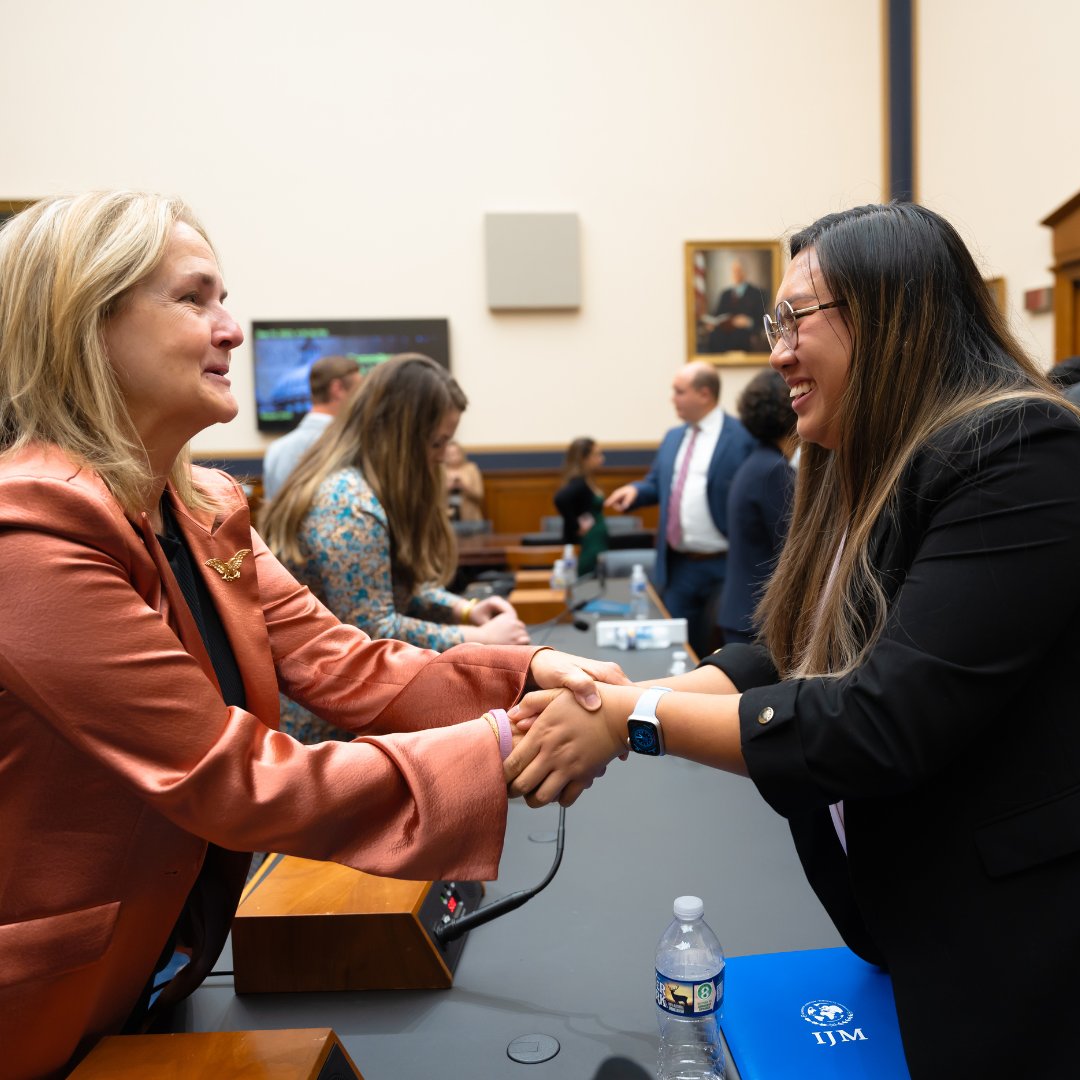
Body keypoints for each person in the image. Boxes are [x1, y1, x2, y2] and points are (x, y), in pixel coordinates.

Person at [0, 192, 626, 1080]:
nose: (232, 330)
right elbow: (232, 774)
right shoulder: (29, 533)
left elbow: (349, 665)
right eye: (196, 298)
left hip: (158, 964)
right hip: (45, 1013)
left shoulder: (205, 503)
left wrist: (526, 674)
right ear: (84, 323)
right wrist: (504, 744)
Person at [505, 202, 1080, 1077]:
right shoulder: (865, 459)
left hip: (1015, 941)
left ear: (894, 311)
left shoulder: (1019, 453)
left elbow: (879, 719)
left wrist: (629, 719)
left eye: (795, 319)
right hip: (904, 914)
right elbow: (789, 653)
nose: (775, 356)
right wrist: (611, 705)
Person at [259, 354, 530, 742]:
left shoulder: (367, 488)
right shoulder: (346, 503)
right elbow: (371, 628)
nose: (441, 456)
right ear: (400, 438)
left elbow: (399, 585)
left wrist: (465, 609)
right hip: (325, 729)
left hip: (356, 711)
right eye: (436, 442)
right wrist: (477, 640)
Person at [606, 361, 755, 657]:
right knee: (674, 646)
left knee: (724, 648)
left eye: (679, 392)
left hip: (727, 564)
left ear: (704, 394)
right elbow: (658, 484)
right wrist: (636, 491)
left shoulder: (741, 438)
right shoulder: (674, 437)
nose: (672, 399)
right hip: (680, 566)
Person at [717, 369, 797, 644]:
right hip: (757, 618)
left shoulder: (756, 463)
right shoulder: (773, 470)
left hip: (744, 611)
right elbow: (792, 547)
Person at [262, 355, 361, 500]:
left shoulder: (275, 450)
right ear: (337, 388)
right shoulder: (351, 445)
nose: (361, 398)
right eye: (358, 390)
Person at [553, 437, 609, 576]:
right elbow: (560, 499)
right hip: (587, 545)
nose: (601, 459)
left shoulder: (587, 480)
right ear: (584, 458)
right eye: (596, 455)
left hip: (596, 541)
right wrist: (576, 526)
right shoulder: (578, 482)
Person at [698, 259, 769, 354]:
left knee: (740, 336)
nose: (736, 274)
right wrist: (712, 323)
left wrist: (748, 322)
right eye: (734, 271)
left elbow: (763, 319)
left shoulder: (757, 293)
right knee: (714, 337)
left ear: (745, 272)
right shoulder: (725, 294)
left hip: (745, 335)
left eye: (739, 271)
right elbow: (717, 315)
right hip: (724, 333)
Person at [444, 439, 485, 522]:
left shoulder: (471, 469)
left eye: (455, 453)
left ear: (461, 453)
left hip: (470, 518)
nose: (453, 456)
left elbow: (479, 495)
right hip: (447, 518)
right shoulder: (441, 471)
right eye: (449, 454)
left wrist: (463, 487)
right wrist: (448, 487)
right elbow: (434, 498)